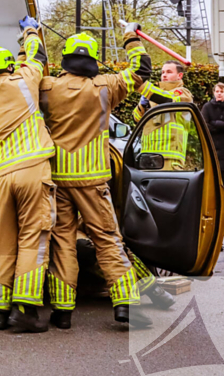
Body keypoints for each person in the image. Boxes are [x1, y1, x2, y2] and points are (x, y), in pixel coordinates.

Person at [39, 24, 161, 330]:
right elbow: (142, 68)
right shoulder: (106, 86)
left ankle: (62, 311)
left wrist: (29, 39)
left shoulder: (48, 88)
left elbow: (28, 74)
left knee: (63, 242)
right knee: (107, 239)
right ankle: (125, 305)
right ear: (93, 60)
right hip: (93, 180)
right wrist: (130, 36)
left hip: (59, 179)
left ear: (66, 59)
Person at [0, 17, 56, 333]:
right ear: (8, 67)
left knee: (4, 243)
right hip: (32, 170)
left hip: (0, 179)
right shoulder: (22, 82)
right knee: (33, 237)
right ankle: (25, 310)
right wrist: (29, 32)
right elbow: (37, 57)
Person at [134, 61, 193, 171]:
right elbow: (136, 119)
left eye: (169, 72)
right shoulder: (153, 94)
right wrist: (142, 105)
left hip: (170, 158)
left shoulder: (183, 93)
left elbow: (167, 99)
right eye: (163, 72)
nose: (164, 75)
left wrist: (142, 86)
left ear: (179, 76)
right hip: (148, 156)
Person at [202, 82, 224, 218]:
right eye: (217, 91)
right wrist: (222, 124)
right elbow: (205, 125)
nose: (219, 94)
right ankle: (213, 206)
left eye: (222, 92)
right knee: (211, 179)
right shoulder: (207, 107)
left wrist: (214, 123)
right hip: (211, 146)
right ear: (214, 92)